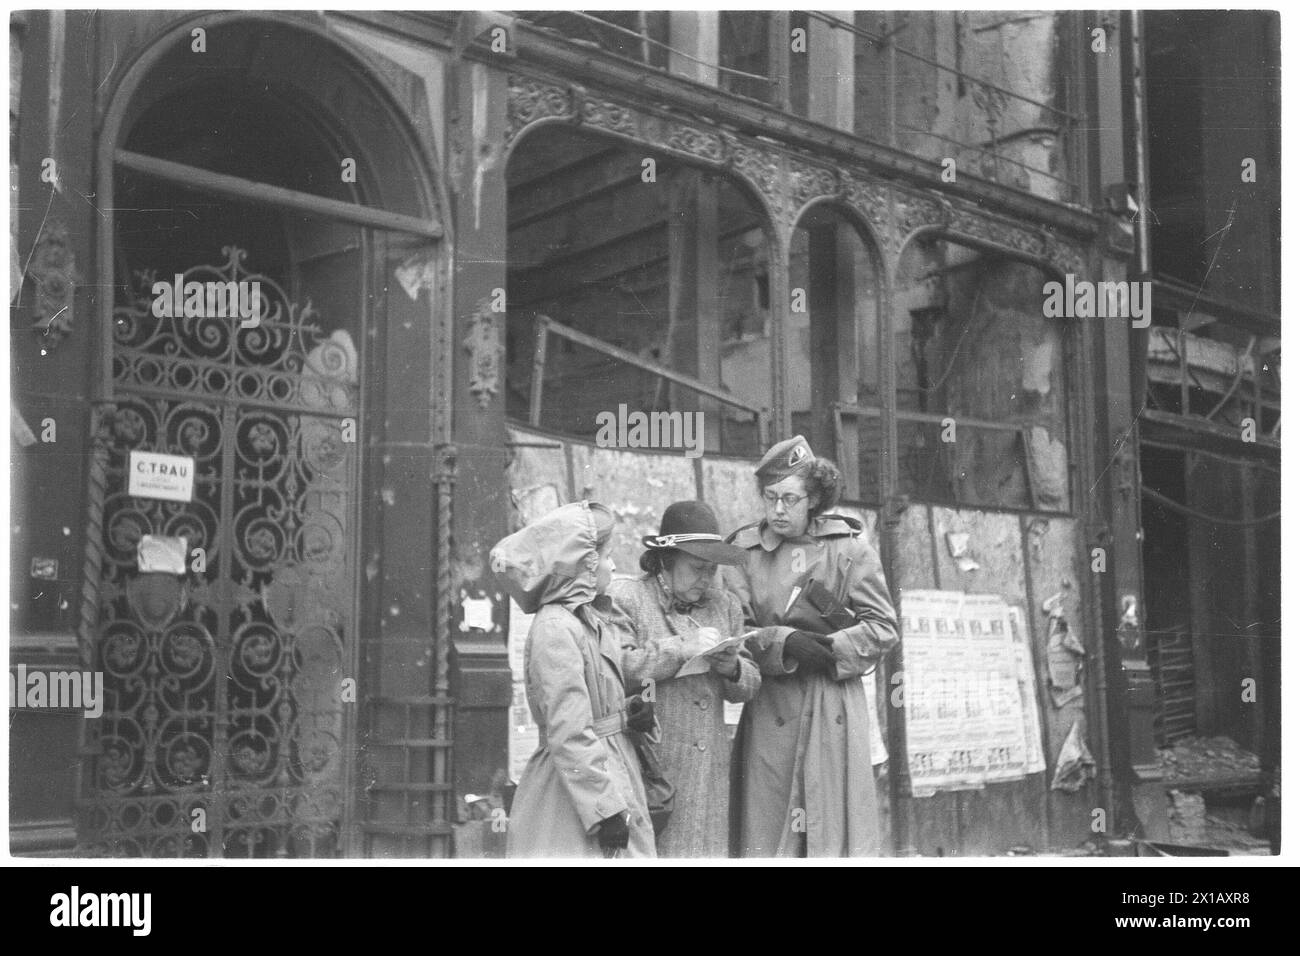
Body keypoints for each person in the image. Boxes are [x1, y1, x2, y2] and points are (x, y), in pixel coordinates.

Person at [722, 435, 899, 857]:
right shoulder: (743, 553)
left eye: (790, 499)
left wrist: (832, 648)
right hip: (772, 704)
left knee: (831, 823)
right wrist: (784, 641)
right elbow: (735, 631)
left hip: (832, 701)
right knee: (768, 827)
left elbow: (883, 628)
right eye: (770, 498)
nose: (778, 510)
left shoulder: (850, 550)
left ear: (814, 500)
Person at [491, 500, 656, 858]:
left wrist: (628, 713)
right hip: (574, 792)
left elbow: (589, 706)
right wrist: (605, 809)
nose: (612, 564)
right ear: (584, 564)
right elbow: (568, 730)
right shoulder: (556, 627)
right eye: (606, 555)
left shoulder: (585, 619)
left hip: (605, 769)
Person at [609, 500, 761, 858]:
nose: (706, 579)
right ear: (666, 560)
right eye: (696, 568)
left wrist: (731, 668)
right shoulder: (627, 597)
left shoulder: (724, 606)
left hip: (710, 769)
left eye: (712, 570)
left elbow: (752, 681)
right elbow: (621, 668)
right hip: (653, 765)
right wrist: (681, 647)